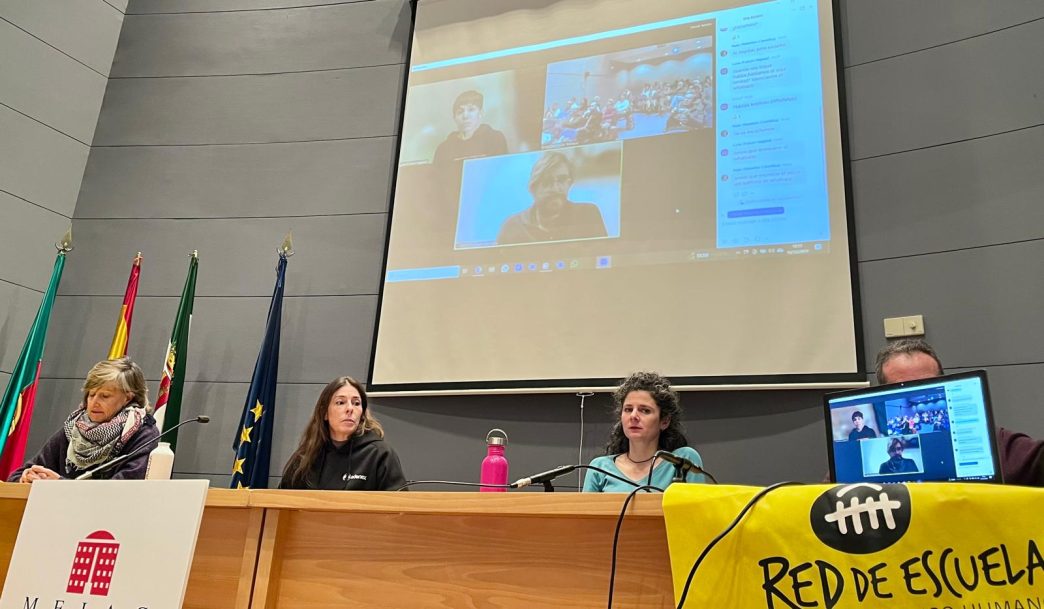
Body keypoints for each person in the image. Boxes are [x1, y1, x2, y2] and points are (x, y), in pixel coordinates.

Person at [875, 338, 1044, 486]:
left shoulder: (996, 445)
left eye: (926, 385)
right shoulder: (881, 465)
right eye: (904, 388)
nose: (917, 393)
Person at [7, 357, 159, 482]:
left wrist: (59, 485)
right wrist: (26, 478)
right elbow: (16, 475)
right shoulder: (75, 427)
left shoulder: (143, 432)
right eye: (91, 394)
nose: (94, 402)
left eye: (105, 396)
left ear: (128, 398)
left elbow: (121, 491)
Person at [583, 371, 707, 492]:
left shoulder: (682, 461)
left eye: (645, 410)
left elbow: (695, 511)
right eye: (628, 409)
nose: (633, 416)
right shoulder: (599, 468)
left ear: (664, 421)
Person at [279, 376, 406, 490]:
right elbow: (281, 502)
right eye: (340, 402)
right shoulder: (307, 455)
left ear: (362, 414)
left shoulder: (380, 454)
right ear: (325, 413)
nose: (350, 409)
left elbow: (399, 508)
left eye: (356, 403)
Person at [497, 152, 608, 245]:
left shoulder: (587, 214)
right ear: (533, 187)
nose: (555, 188)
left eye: (562, 180)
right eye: (547, 181)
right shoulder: (512, 227)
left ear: (569, 184)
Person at [433, 90, 507, 164]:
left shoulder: (495, 138)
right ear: (454, 118)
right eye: (460, 112)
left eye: (471, 110)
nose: (465, 116)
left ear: (480, 113)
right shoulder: (443, 148)